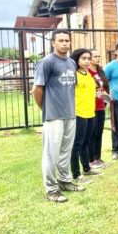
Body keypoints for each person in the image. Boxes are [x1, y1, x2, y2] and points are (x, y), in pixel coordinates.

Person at [32, 30, 84, 203]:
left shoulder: (71, 63)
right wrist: (45, 108)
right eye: (61, 40)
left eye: (67, 40)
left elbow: (71, 88)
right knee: (51, 154)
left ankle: (65, 181)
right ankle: (51, 190)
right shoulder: (46, 62)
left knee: (65, 151)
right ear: (53, 42)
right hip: (54, 115)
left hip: (70, 114)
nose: (64, 43)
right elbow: (37, 90)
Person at [70, 48, 102, 185]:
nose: (87, 61)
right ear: (76, 59)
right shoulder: (73, 74)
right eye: (84, 58)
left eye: (89, 58)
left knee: (87, 142)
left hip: (90, 112)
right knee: (77, 144)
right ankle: (76, 174)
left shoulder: (88, 74)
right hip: (78, 113)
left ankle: (87, 169)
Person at [88, 49, 110, 169]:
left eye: (99, 56)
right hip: (90, 106)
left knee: (99, 133)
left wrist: (107, 95)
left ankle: (98, 157)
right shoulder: (87, 72)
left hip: (101, 105)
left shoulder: (99, 71)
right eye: (95, 56)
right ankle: (90, 159)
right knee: (92, 133)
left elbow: (104, 87)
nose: (97, 58)